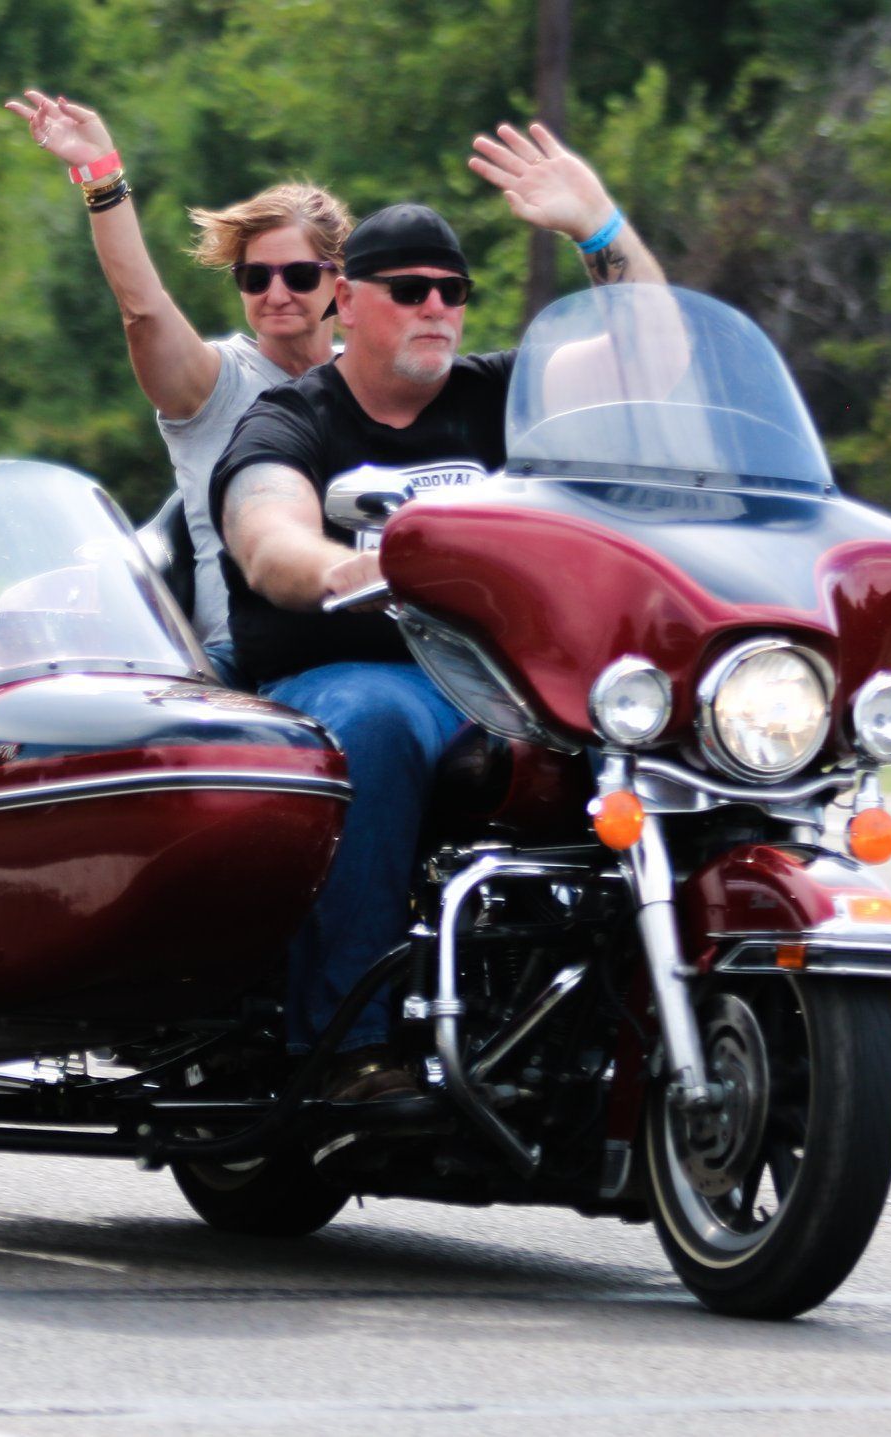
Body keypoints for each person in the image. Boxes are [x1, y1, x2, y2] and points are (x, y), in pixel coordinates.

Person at [207, 122, 668, 1099]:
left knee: (669, 725)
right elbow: (267, 535)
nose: (436, 308)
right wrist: (347, 569)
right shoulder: (295, 417)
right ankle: (348, 1045)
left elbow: (654, 361)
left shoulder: (501, 393)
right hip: (356, 670)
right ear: (347, 298)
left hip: (508, 680)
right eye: (410, 290)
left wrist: (599, 226)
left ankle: (652, 1010)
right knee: (373, 723)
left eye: (452, 291)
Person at [4, 90, 351, 676]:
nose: (275, 293)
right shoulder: (215, 385)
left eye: (297, 274)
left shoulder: (372, 380)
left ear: (341, 281)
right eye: (254, 277)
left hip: (373, 637)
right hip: (246, 659)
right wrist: (101, 176)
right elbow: (143, 310)